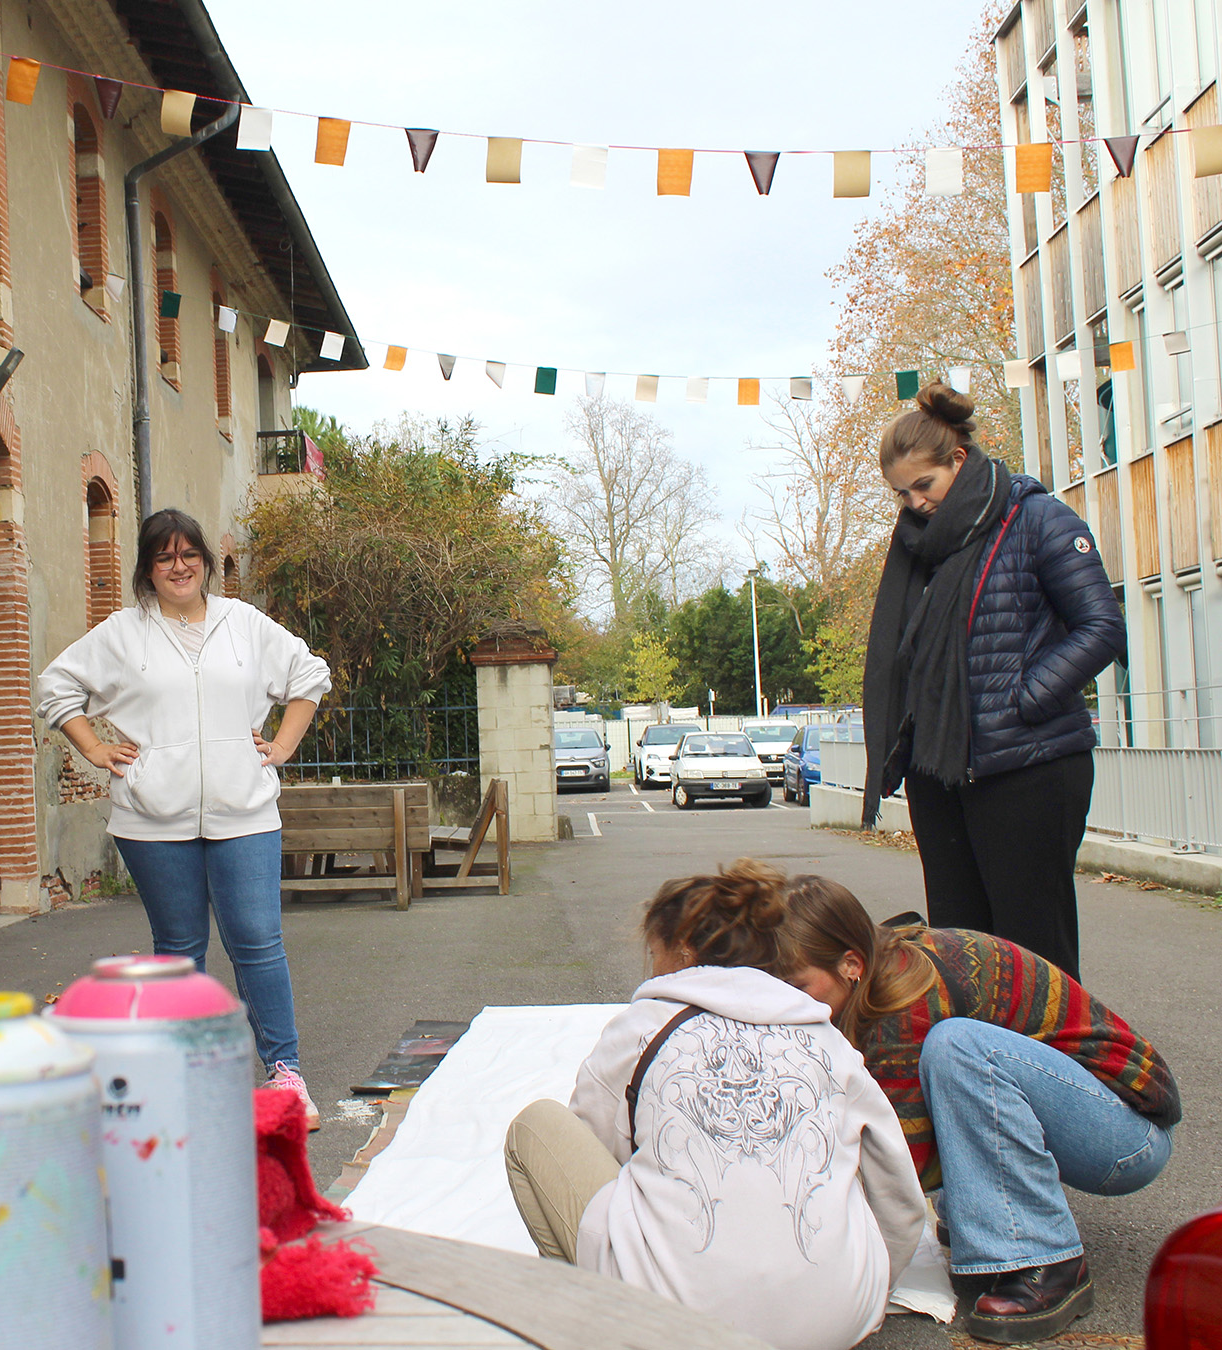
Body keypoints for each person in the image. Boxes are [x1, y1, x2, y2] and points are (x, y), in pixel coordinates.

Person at [503, 860, 924, 1350]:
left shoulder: (642, 1027)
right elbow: (896, 1188)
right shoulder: (827, 1038)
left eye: (652, 952)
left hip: (677, 1328)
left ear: (682, 951)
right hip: (837, 1324)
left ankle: (590, 1325)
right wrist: (871, 1286)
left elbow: (594, 1155)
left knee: (534, 1126)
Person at [780, 878, 1180, 1345]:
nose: (787, 1001)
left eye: (797, 986)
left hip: (1127, 1133)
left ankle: (1045, 1257)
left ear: (851, 964)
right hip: (1084, 1113)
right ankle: (987, 1213)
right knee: (947, 1056)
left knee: (958, 1046)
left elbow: (905, 1165)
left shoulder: (905, 1000)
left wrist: (817, 1251)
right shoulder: (871, 969)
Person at [37, 508, 331, 1126]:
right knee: (178, 951)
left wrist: (281, 746)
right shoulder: (122, 633)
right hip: (152, 820)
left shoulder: (243, 623)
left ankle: (285, 1073)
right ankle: (183, 1081)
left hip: (245, 812)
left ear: (205, 562)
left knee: (257, 941)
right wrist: (93, 749)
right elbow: (56, 686)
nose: (179, 566)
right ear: (147, 568)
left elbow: (310, 675)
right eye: (164, 557)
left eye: (189, 554)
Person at [863, 382, 1124, 980]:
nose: (915, 503)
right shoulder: (921, 546)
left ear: (959, 459)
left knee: (1035, 953)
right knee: (959, 952)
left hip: (1028, 766)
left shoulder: (1038, 519)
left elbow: (1102, 627)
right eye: (902, 493)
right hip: (940, 771)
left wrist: (1023, 700)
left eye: (924, 485)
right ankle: (977, 1046)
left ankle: (1055, 1046)